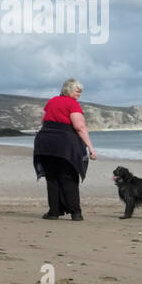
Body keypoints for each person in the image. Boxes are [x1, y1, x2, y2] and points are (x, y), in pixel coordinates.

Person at [32, 78, 97, 220]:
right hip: (65, 145)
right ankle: (76, 213)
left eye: (80, 91)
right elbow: (79, 127)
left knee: (52, 178)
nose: (79, 93)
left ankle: (54, 212)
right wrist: (91, 148)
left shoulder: (51, 101)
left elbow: (43, 121)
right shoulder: (72, 104)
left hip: (45, 143)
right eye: (77, 90)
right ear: (67, 89)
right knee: (68, 178)